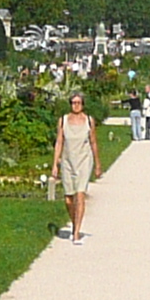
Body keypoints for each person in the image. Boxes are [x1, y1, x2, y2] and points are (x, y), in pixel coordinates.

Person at [50, 92, 101, 241]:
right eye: (73, 102)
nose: (76, 105)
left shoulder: (89, 121)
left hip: (84, 160)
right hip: (67, 161)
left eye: (78, 102)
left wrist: (98, 164)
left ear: (83, 104)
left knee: (80, 194)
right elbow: (59, 142)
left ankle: (76, 232)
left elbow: (93, 142)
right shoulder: (63, 121)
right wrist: (55, 164)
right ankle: (74, 222)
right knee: (68, 198)